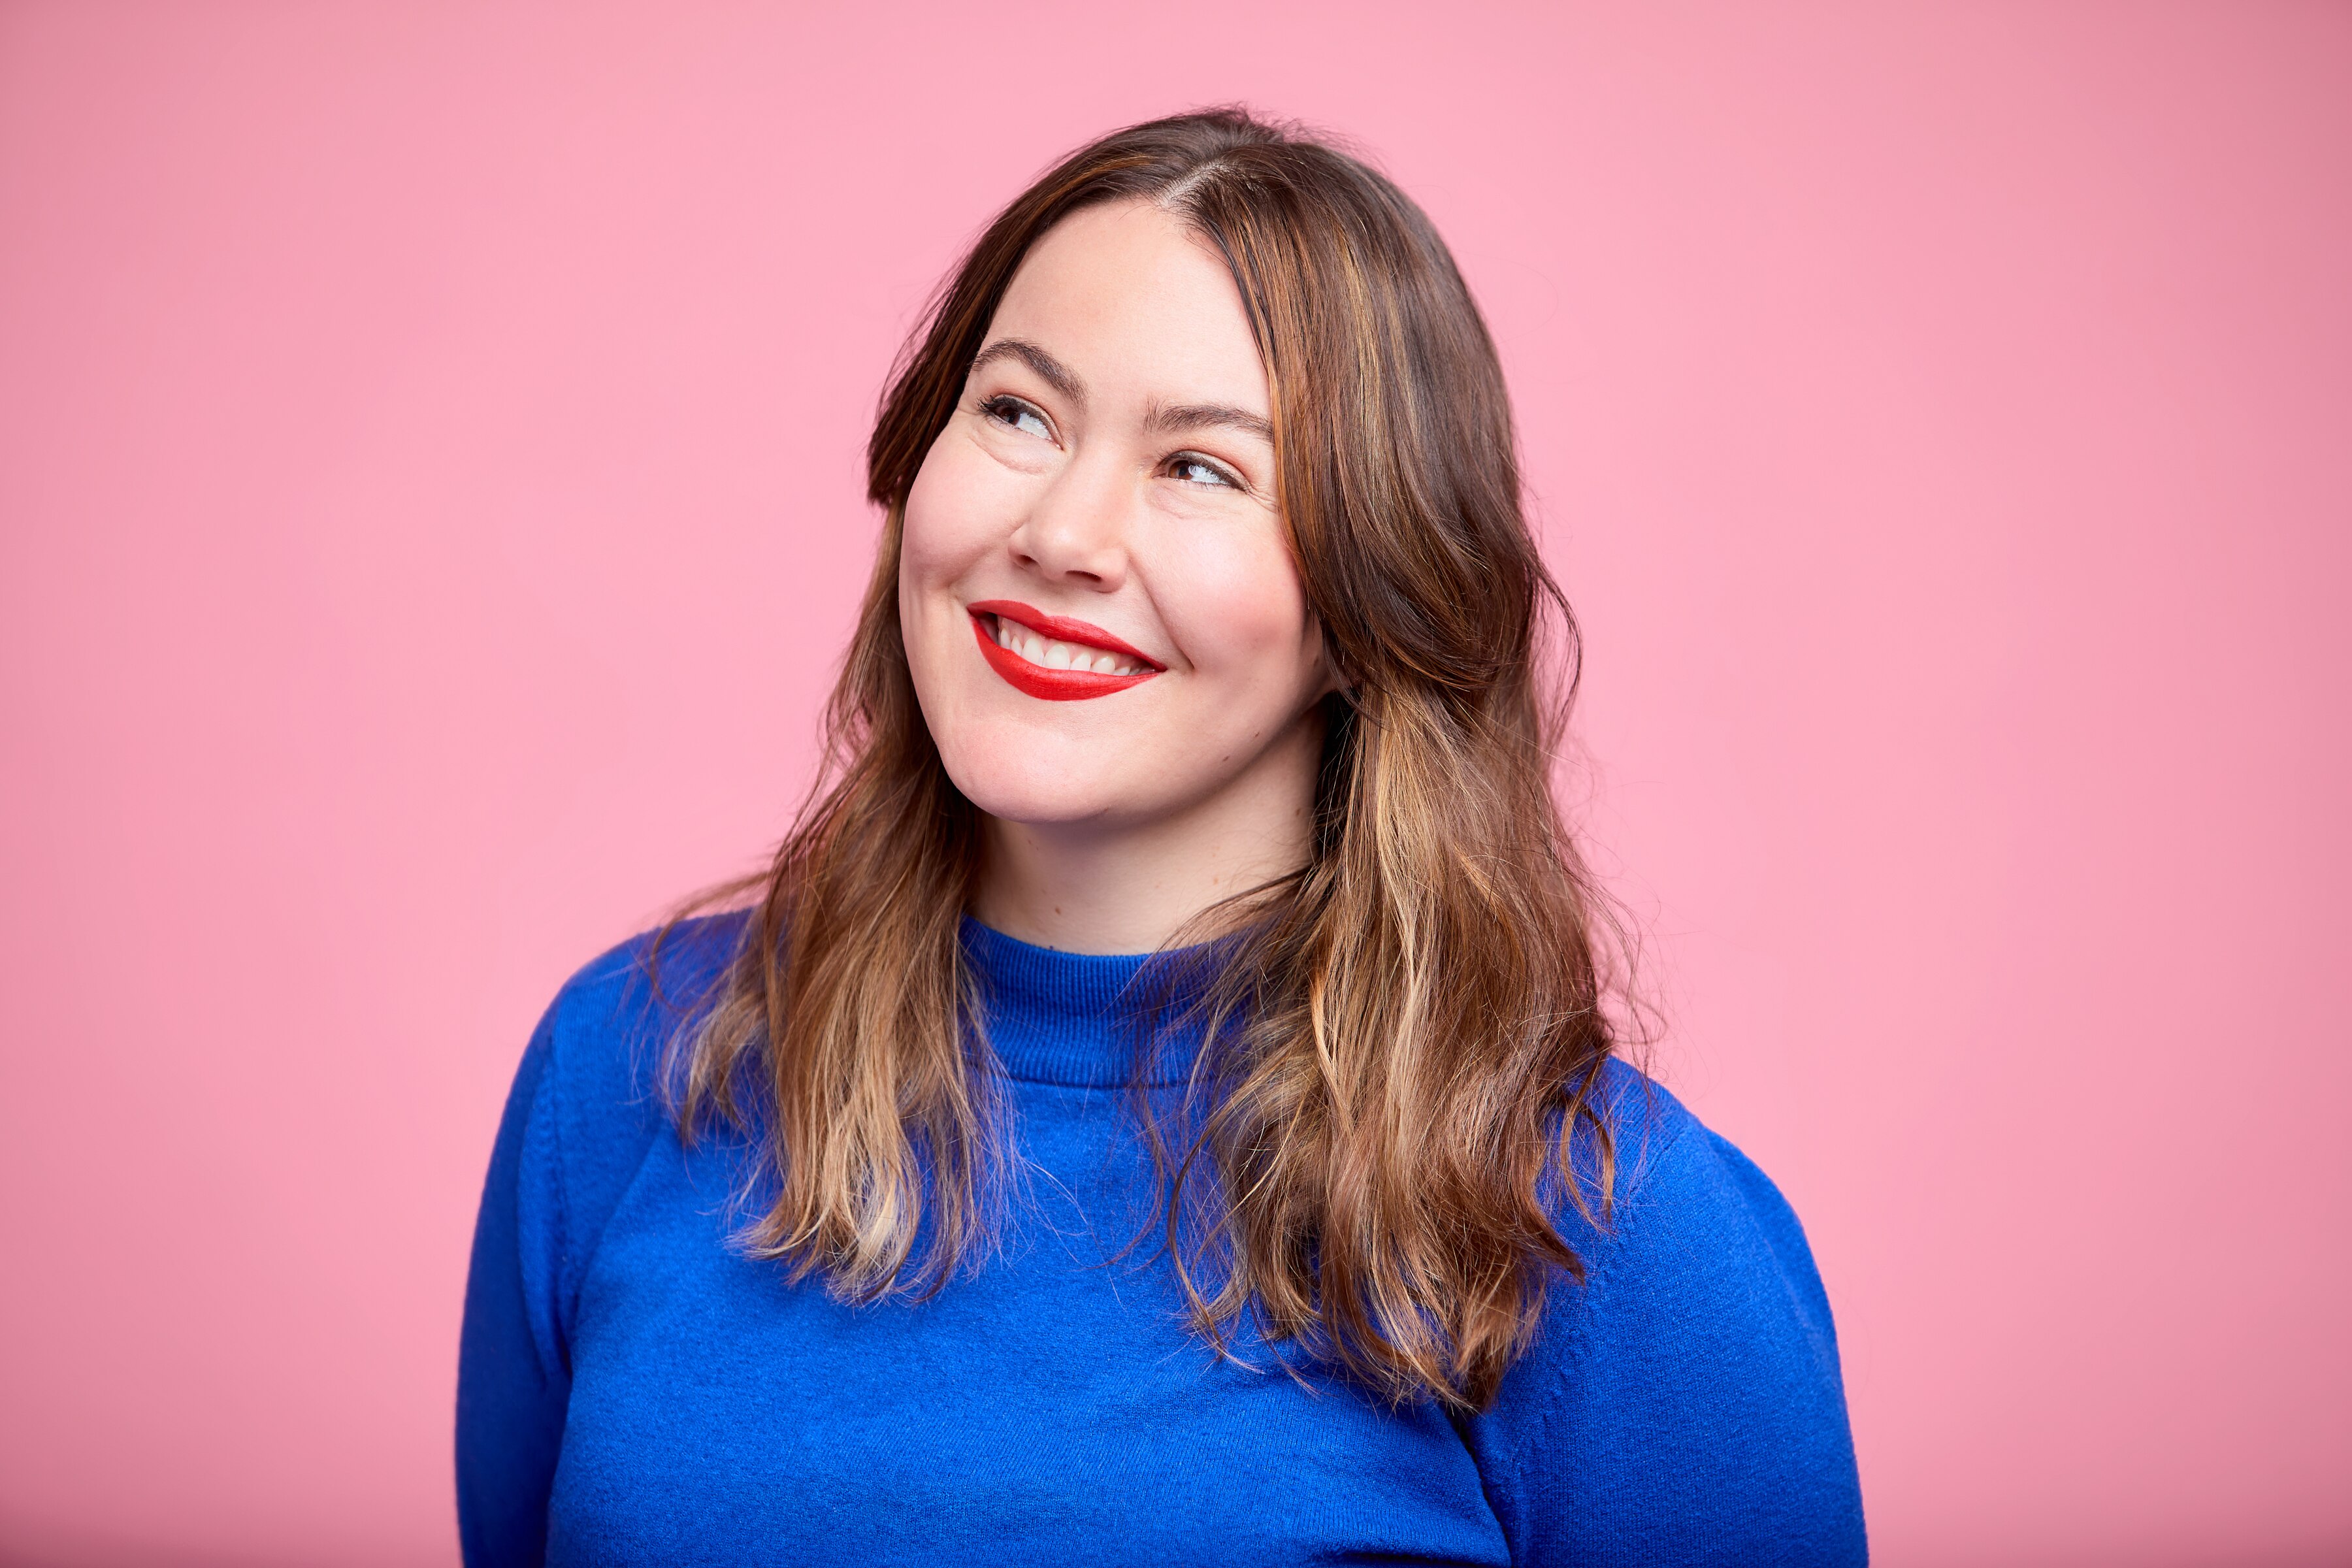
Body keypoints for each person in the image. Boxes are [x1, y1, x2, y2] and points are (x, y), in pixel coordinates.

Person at [457, 107, 1867, 1566]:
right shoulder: (623, 1074)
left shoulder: (1608, 1229)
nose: (1064, 531)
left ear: (1373, 604)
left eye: (1203, 467)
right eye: (1018, 414)